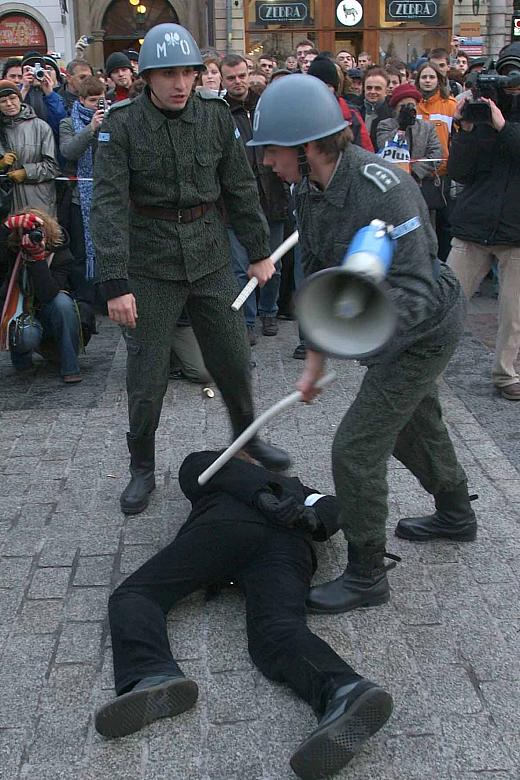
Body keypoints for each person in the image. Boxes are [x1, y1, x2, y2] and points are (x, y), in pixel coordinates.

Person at [248, 74, 477, 614]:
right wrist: (316, 360)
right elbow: (323, 275)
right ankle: (455, 513)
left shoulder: (387, 189)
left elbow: (419, 287)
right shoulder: (308, 189)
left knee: (357, 445)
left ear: (307, 148)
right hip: (389, 333)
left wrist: (358, 330)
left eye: (271, 151)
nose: (265, 163)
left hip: (425, 328)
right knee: (412, 423)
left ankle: (367, 572)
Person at [94, 449, 393, 780]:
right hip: (285, 546)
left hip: (230, 530)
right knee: (278, 631)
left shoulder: (270, 482)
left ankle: (150, 672)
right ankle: (343, 690)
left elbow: (332, 508)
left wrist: (311, 518)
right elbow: (196, 468)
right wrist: (289, 508)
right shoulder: (284, 484)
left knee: (137, 594)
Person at [90, 23, 290, 516]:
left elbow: (239, 187)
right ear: (147, 77)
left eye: (189, 73)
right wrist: (116, 282)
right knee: (147, 375)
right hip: (150, 265)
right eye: (169, 74)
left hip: (208, 257)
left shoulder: (215, 117)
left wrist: (259, 250)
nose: (181, 84)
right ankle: (141, 466)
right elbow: (109, 206)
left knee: (232, 358)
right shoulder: (123, 124)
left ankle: (249, 437)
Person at [447, 42, 520, 401]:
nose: (509, 87)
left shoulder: (502, 119)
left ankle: (505, 375)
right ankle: (425, 366)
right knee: (445, 300)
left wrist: (502, 124)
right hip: (474, 225)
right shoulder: (481, 112)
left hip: (516, 231)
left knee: (513, 314)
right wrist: (463, 127)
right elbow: (460, 170)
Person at [220, 54, 288, 342]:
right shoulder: (220, 112)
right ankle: (246, 319)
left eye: (241, 75)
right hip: (236, 203)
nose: (238, 82)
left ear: (249, 74)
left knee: (274, 262)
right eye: (231, 77)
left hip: (272, 196)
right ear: (223, 80)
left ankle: (268, 311)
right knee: (240, 267)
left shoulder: (265, 107)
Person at [0, 209, 82, 382]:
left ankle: (70, 366)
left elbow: (49, 294)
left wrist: (37, 259)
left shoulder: (60, 253)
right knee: (25, 332)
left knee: (63, 303)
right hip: (21, 314)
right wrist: (7, 228)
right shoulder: (11, 249)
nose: (33, 237)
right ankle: (22, 362)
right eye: (29, 232)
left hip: (49, 315)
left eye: (38, 232)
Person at [59, 76, 106, 302]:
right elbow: (68, 151)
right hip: (81, 197)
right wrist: (91, 129)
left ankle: (107, 297)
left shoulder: (113, 118)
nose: (98, 104)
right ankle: (86, 302)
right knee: (81, 252)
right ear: (81, 100)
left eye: (101, 99)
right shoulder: (68, 123)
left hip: (108, 196)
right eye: (93, 100)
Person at [0, 80, 60, 217]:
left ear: (19, 98)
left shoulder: (41, 127)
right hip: (6, 205)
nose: (9, 104)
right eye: (3, 101)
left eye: (12, 98)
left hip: (39, 201)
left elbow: (53, 167)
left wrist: (27, 173)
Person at [376, 82, 443, 187]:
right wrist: (401, 128)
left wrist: (414, 171)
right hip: (393, 181)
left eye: (412, 106)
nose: (409, 110)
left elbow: (436, 154)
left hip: (420, 181)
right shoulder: (385, 125)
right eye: (403, 106)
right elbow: (384, 147)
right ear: (395, 108)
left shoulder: (427, 127)